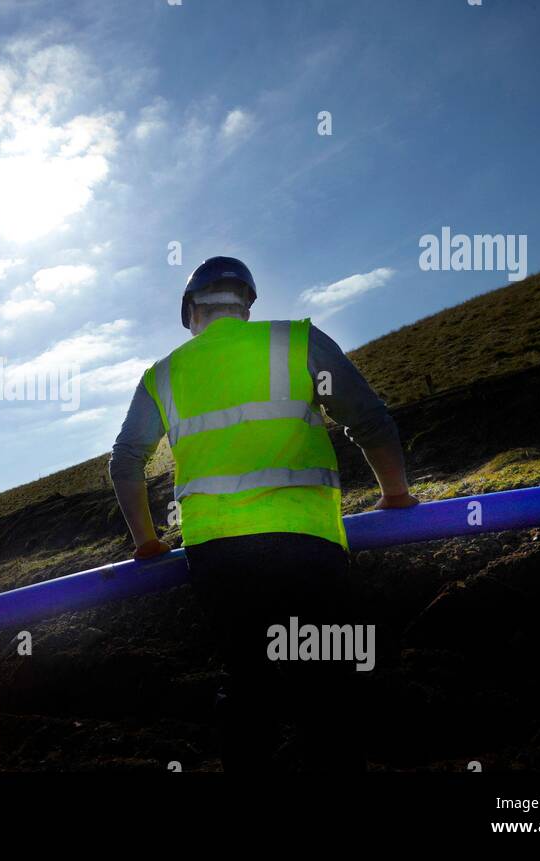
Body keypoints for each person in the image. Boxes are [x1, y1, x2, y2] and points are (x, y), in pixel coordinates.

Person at [108, 256, 417, 771]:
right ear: (247, 305)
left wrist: (146, 541)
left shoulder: (163, 375)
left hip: (218, 559)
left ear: (190, 310)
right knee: (327, 686)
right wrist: (396, 495)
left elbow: (126, 462)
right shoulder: (296, 341)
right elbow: (370, 420)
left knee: (248, 687)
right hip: (308, 546)